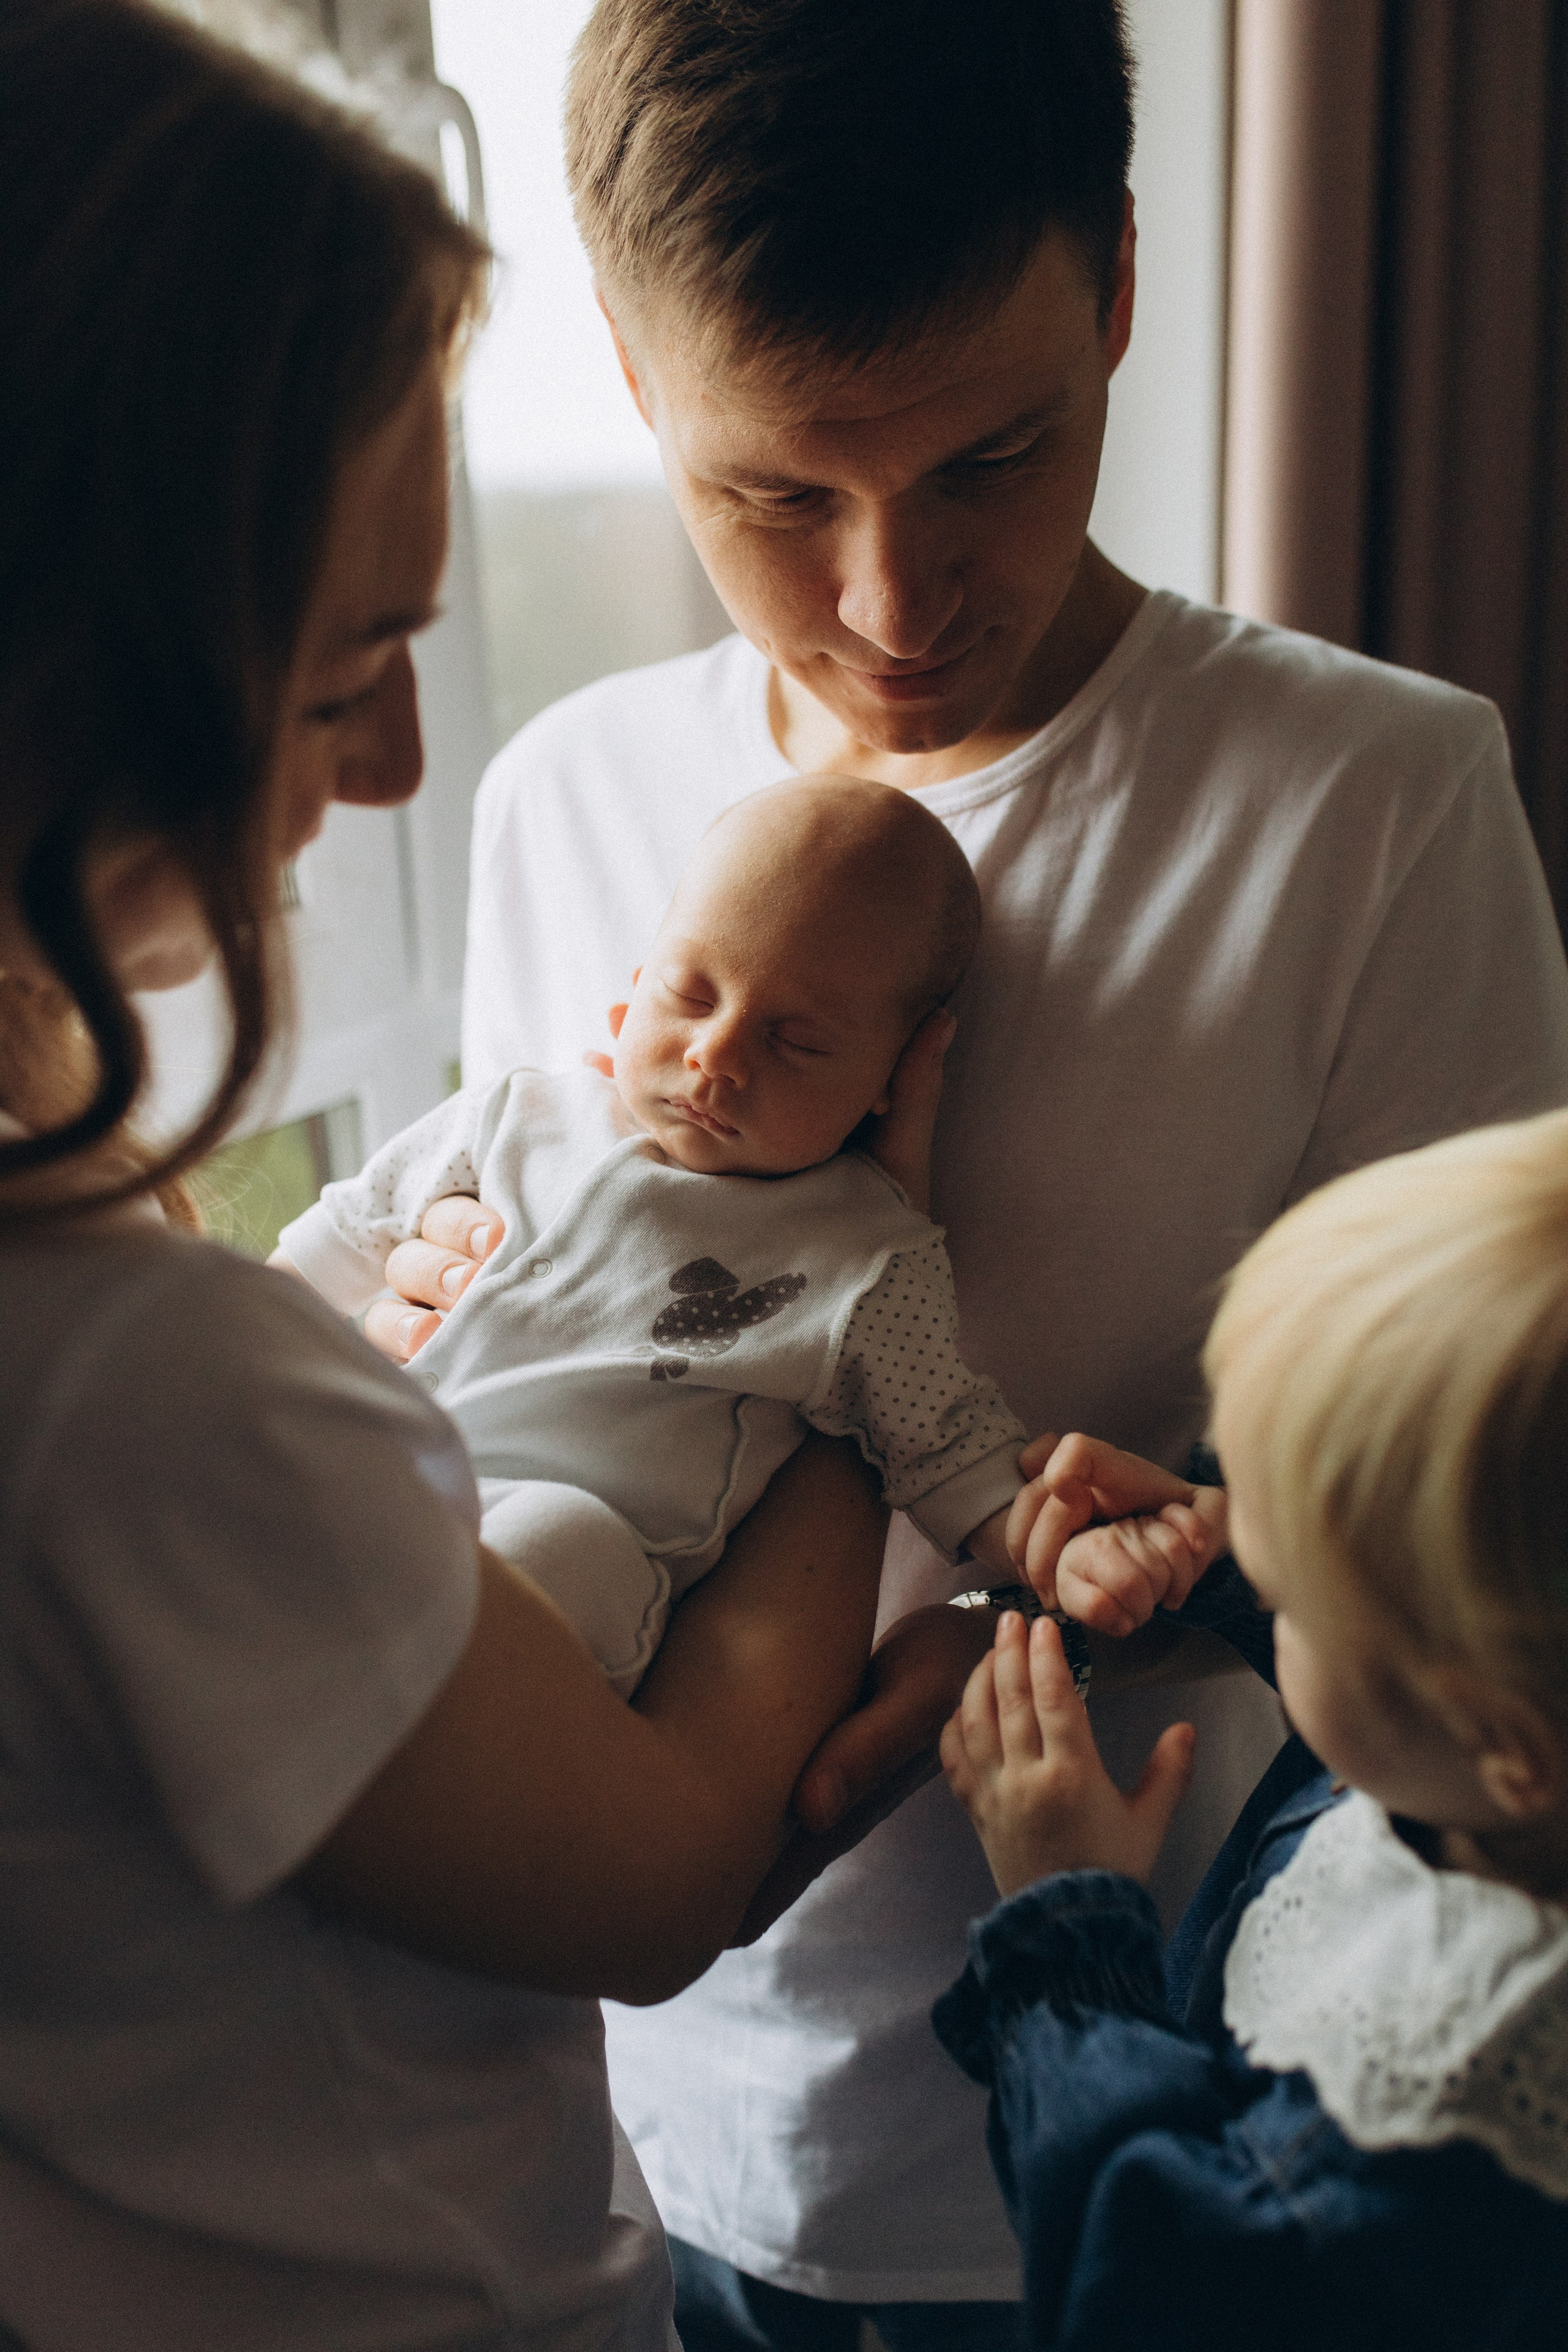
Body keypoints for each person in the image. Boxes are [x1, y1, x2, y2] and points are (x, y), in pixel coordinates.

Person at [369, 1, 1568, 2343]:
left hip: (1158, 2148)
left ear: (1117, 281)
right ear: (631, 373)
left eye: (993, 459)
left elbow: (1498, 1522)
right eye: (776, 499)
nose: (895, 608)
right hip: (621, 2113)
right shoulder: (564, 802)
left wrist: (1089, 1597)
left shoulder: (1382, 812)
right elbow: (561, 1336)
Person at [0, 5, 916, 2342]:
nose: (406, 765)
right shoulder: (125, 1375)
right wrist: (848, 1329)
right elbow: (654, 1880)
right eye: (343, 673)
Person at [278, 775, 1219, 1694]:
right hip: (406, 1473)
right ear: (631, 996)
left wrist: (1059, 1550)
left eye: (798, 1041)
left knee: (557, 1542)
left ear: (889, 1080)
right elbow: (344, 1235)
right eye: (690, 995)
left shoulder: (863, 1254)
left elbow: (948, 1447)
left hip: (585, 1550)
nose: (717, 1054)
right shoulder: (521, 1114)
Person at [935, 1109, 1568, 2350]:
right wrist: (1229, 1558)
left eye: (1293, 1596)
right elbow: (1392, 1706)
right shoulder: (1507, 1763)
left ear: (1498, 1732)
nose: (1255, 1568)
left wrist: (1067, 1926)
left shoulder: (1423, 2123)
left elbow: (1139, 2274)